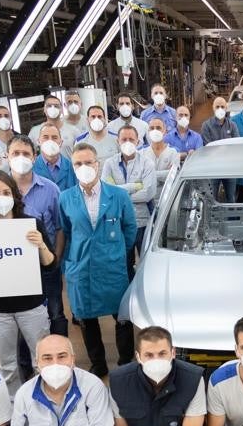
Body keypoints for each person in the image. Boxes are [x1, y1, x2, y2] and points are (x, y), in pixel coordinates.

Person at [0, 170, 55, 395]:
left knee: (41, 360)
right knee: (6, 365)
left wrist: (41, 245)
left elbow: (50, 264)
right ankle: (14, 406)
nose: (1, 197)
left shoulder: (30, 223)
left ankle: (43, 400)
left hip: (32, 305)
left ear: (15, 195)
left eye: (6, 192)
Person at [60, 143, 137, 378]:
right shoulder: (65, 198)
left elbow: (130, 228)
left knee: (122, 317)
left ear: (98, 164)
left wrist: (115, 253)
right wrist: (70, 262)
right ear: (73, 167)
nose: (84, 167)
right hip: (81, 267)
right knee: (85, 318)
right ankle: (98, 363)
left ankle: (125, 362)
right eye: (78, 163)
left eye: (88, 162)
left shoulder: (119, 195)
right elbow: (65, 231)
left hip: (113, 266)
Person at [0, 135, 67, 347]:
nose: (21, 158)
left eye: (26, 153)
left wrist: (56, 258)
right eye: (15, 153)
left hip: (46, 267)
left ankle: (62, 354)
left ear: (34, 157)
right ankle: (27, 368)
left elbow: (59, 227)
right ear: (6, 157)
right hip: (10, 271)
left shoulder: (50, 189)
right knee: (18, 321)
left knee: (54, 313)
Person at [10, 334, 113, 426]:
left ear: (73, 359)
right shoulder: (24, 394)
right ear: (37, 363)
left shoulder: (93, 387)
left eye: (62, 356)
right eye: (47, 358)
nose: (55, 364)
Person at [109, 326, 206, 426]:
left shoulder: (193, 379)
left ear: (173, 353)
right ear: (138, 357)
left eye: (162, 354)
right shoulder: (118, 382)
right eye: (149, 355)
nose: (156, 360)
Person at [102, 125, 157, 278]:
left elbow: (147, 194)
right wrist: (134, 186)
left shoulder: (147, 164)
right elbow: (106, 193)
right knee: (123, 264)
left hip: (142, 222)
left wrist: (118, 190)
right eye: (124, 139)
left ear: (138, 141)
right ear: (117, 141)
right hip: (118, 222)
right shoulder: (109, 164)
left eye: (131, 139)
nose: (127, 142)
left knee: (146, 263)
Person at [202, 96, 239, 201]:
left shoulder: (232, 126)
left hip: (230, 169)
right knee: (211, 199)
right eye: (217, 106)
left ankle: (232, 217)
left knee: (231, 198)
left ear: (226, 108)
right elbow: (208, 148)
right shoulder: (206, 126)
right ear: (213, 108)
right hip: (213, 169)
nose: (220, 109)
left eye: (222, 106)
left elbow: (236, 146)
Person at [32, 123, 77, 191]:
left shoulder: (71, 167)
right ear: (38, 141)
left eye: (54, 137)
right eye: (46, 137)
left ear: (61, 142)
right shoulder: (32, 167)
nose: (50, 141)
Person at [140, 116, 181, 186]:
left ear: (165, 131)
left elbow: (174, 175)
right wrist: (165, 173)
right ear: (148, 131)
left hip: (167, 194)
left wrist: (148, 174)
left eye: (158, 128)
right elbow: (138, 177)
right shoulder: (141, 153)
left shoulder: (173, 152)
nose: (155, 130)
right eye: (152, 128)